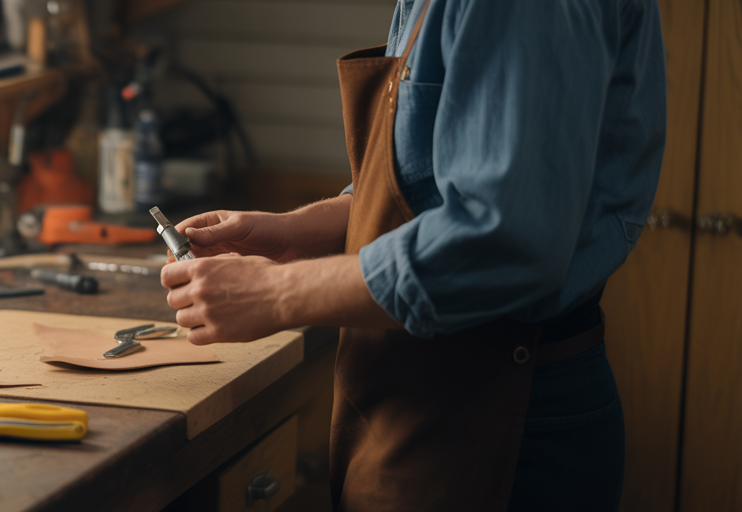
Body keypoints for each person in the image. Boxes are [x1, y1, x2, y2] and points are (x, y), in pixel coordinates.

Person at [160, 0, 666, 510]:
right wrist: (297, 233)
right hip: (427, 400)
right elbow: (426, 183)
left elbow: (498, 245)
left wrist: (273, 293)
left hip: (502, 415)